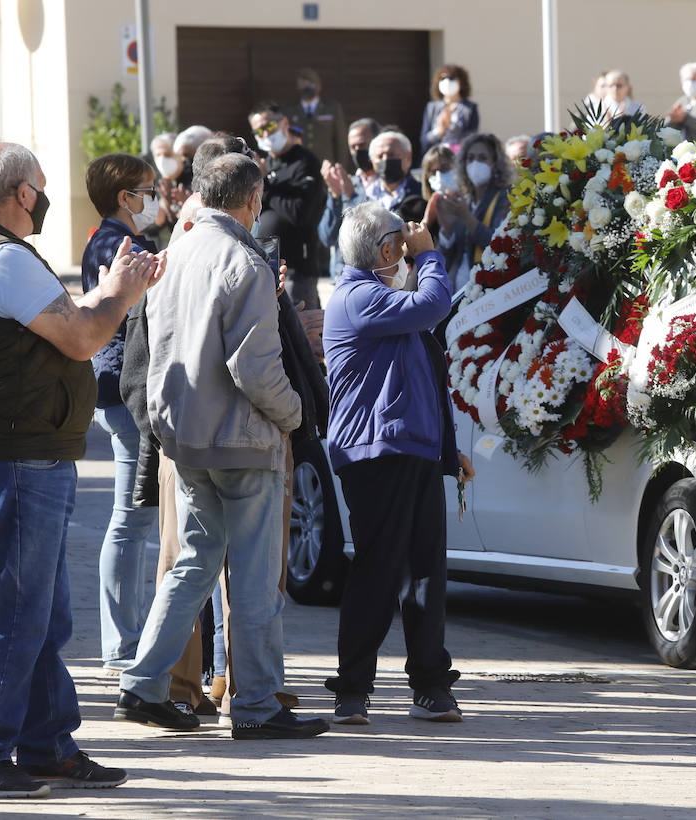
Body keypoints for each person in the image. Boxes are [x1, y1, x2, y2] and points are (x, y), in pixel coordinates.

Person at [0, 140, 161, 797]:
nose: (44, 199)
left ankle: (46, 744)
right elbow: (80, 337)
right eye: (40, 188)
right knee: (17, 611)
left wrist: (100, 292)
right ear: (20, 194)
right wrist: (120, 295)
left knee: (40, 613)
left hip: (11, 452)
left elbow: (63, 322)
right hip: (17, 454)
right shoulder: (4, 258)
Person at [114, 153, 328, 741]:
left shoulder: (174, 254)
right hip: (241, 440)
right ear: (253, 200)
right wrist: (294, 416)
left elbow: (157, 350)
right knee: (255, 577)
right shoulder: (245, 261)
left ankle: (143, 683)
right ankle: (256, 703)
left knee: (194, 564)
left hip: (185, 438)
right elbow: (255, 368)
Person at [322, 202, 473, 725]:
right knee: (379, 569)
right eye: (401, 244)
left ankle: (431, 684)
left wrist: (449, 452)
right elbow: (435, 305)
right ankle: (352, 689)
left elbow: (423, 380)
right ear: (386, 250)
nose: (408, 250)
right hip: (375, 453)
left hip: (414, 449)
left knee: (425, 571)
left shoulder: (387, 299)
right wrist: (431, 256)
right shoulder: (359, 296)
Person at [82, 153, 165, 677]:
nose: (154, 197)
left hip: (114, 388)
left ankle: (124, 640)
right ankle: (122, 644)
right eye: (146, 189)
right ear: (124, 197)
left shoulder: (107, 240)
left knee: (131, 519)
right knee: (132, 519)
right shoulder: (123, 246)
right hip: (124, 390)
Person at [249, 102, 326, 309]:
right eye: (259, 130)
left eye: (269, 127)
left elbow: (300, 212)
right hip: (267, 266)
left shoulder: (304, 162)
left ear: (284, 123)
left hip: (296, 270)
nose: (265, 134)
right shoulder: (268, 164)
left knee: (304, 330)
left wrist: (268, 185)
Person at [438, 134, 512, 290]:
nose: (475, 164)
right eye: (470, 158)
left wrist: (466, 216)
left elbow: (496, 246)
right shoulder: (464, 199)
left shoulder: (505, 197)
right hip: (456, 289)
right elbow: (446, 258)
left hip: (486, 290)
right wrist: (447, 230)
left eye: (482, 158)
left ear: (495, 164)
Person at [319, 117, 382, 278]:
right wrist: (336, 196)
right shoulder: (347, 183)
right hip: (344, 277)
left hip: (378, 276)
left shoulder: (388, 185)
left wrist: (351, 197)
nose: (357, 151)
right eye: (353, 147)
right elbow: (327, 237)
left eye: (362, 145)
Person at [286, 67, 347, 165]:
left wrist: (341, 166)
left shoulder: (332, 108)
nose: (307, 88)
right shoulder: (289, 111)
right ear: (298, 87)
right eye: (303, 84)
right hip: (299, 166)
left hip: (325, 166)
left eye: (311, 84)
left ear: (319, 87)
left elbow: (341, 142)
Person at [366, 130, 427, 225]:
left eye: (391, 155)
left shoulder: (423, 194)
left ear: (408, 158)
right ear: (372, 161)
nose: (385, 159)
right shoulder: (365, 196)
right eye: (380, 156)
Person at [420, 64, 479, 157]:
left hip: (459, 158)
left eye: (451, 78)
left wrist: (452, 128)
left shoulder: (470, 108)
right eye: (443, 79)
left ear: (461, 82)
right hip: (436, 157)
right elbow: (424, 140)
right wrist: (440, 130)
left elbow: (471, 138)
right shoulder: (432, 107)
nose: (447, 82)